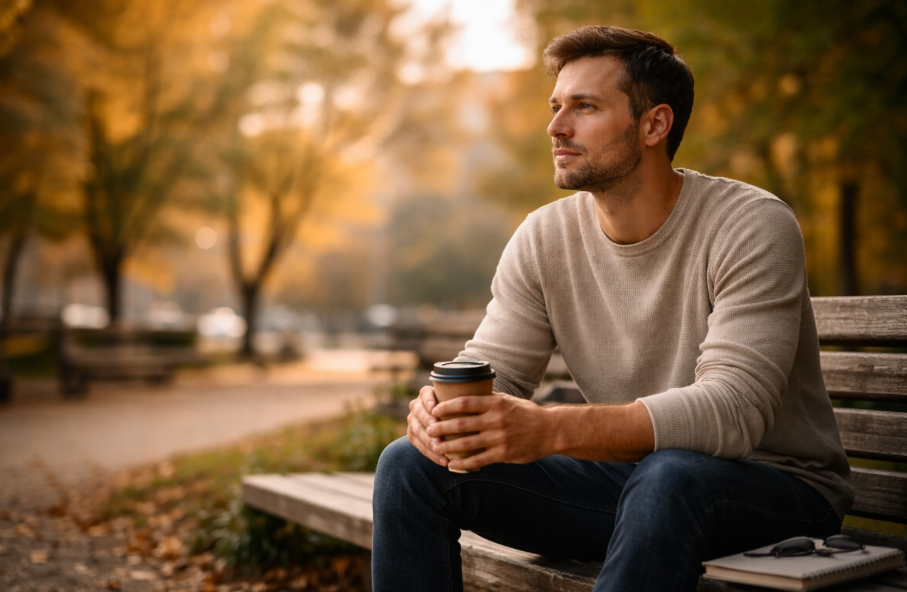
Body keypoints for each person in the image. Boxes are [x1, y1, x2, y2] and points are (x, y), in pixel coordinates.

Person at [372, 25, 853, 592]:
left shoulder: (750, 224)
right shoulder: (543, 237)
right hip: (637, 489)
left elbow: (733, 413)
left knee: (669, 475)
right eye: (556, 107)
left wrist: (550, 429)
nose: (556, 127)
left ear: (654, 124)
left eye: (585, 107)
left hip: (777, 491)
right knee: (408, 465)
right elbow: (493, 370)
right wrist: (437, 413)